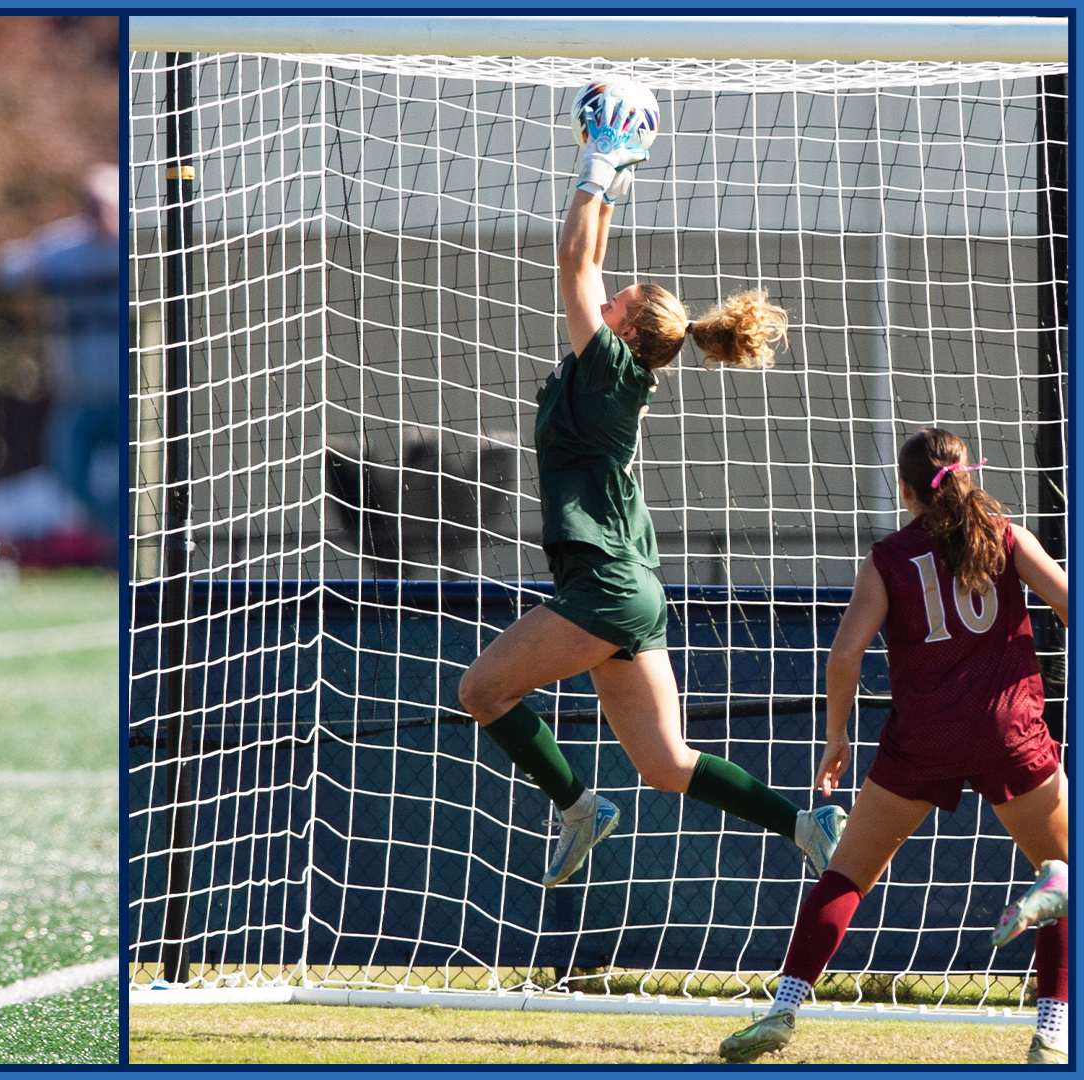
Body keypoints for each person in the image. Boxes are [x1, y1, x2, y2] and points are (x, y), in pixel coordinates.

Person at [453, 90, 843, 890]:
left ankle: (576, 807)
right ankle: (807, 824)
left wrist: (599, 163)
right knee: (667, 764)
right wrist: (613, 176)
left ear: (625, 330)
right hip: (630, 587)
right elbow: (590, 262)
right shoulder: (620, 368)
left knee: (482, 690)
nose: (606, 292)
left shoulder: (608, 368)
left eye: (618, 299)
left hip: (603, 586)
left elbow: (573, 261)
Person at [719, 428, 1069, 1065]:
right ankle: (1052, 1031)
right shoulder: (1006, 535)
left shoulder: (888, 556)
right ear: (969, 475)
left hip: (922, 737)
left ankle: (783, 1009)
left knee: (846, 875)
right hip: (1007, 728)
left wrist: (836, 735)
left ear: (905, 491)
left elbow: (845, 651)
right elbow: (1070, 603)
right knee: (1068, 872)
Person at [0, 163, 122, 557]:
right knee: (67, 470)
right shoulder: (65, 248)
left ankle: (127, 545)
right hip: (79, 395)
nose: (96, 214)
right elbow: (5, 268)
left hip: (129, 397)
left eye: (104, 205)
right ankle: (116, 535)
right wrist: (33, 268)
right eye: (89, 205)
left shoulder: (137, 245)